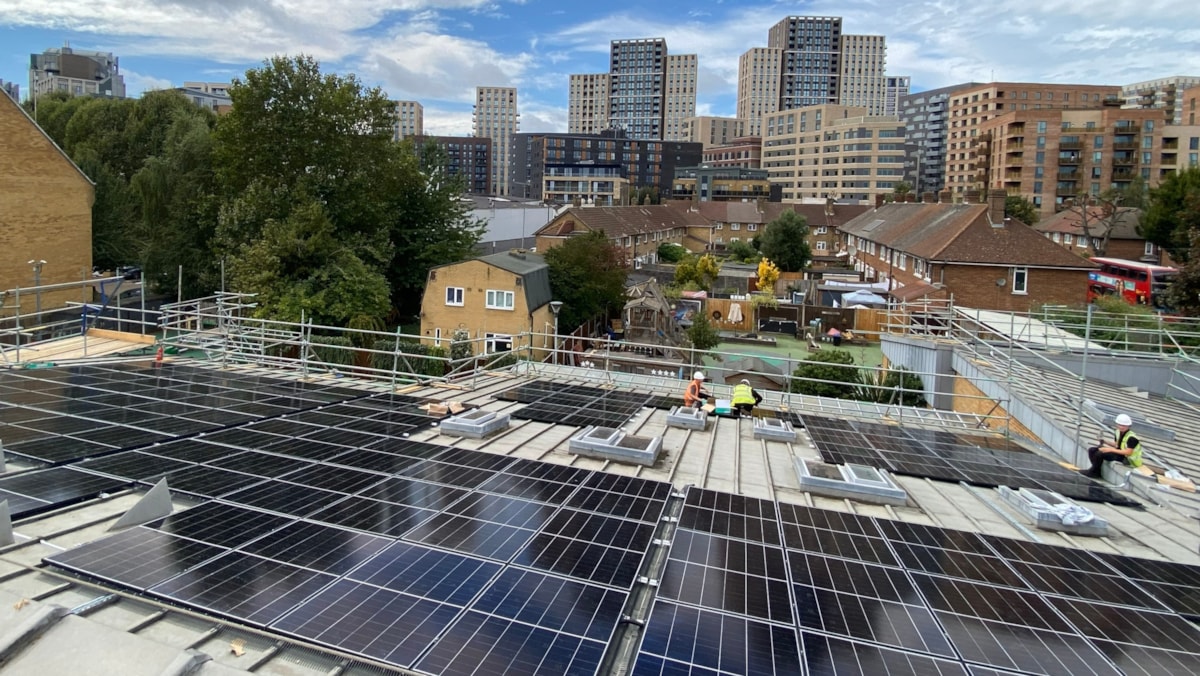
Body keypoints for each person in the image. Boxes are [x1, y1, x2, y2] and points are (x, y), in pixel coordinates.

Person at [1083, 413, 1143, 478]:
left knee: (1100, 453)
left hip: (1128, 460)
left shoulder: (1132, 438)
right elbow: (1117, 445)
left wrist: (1110, 449)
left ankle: (1094, 472)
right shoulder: (1118, 432)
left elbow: (1128, 452)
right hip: (1121, 454)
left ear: (1128, 426)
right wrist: (1105, 442)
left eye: (1124, 426)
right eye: (1120, 425)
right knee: (1092, 450)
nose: (1122, 427)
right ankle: (1095, 470)